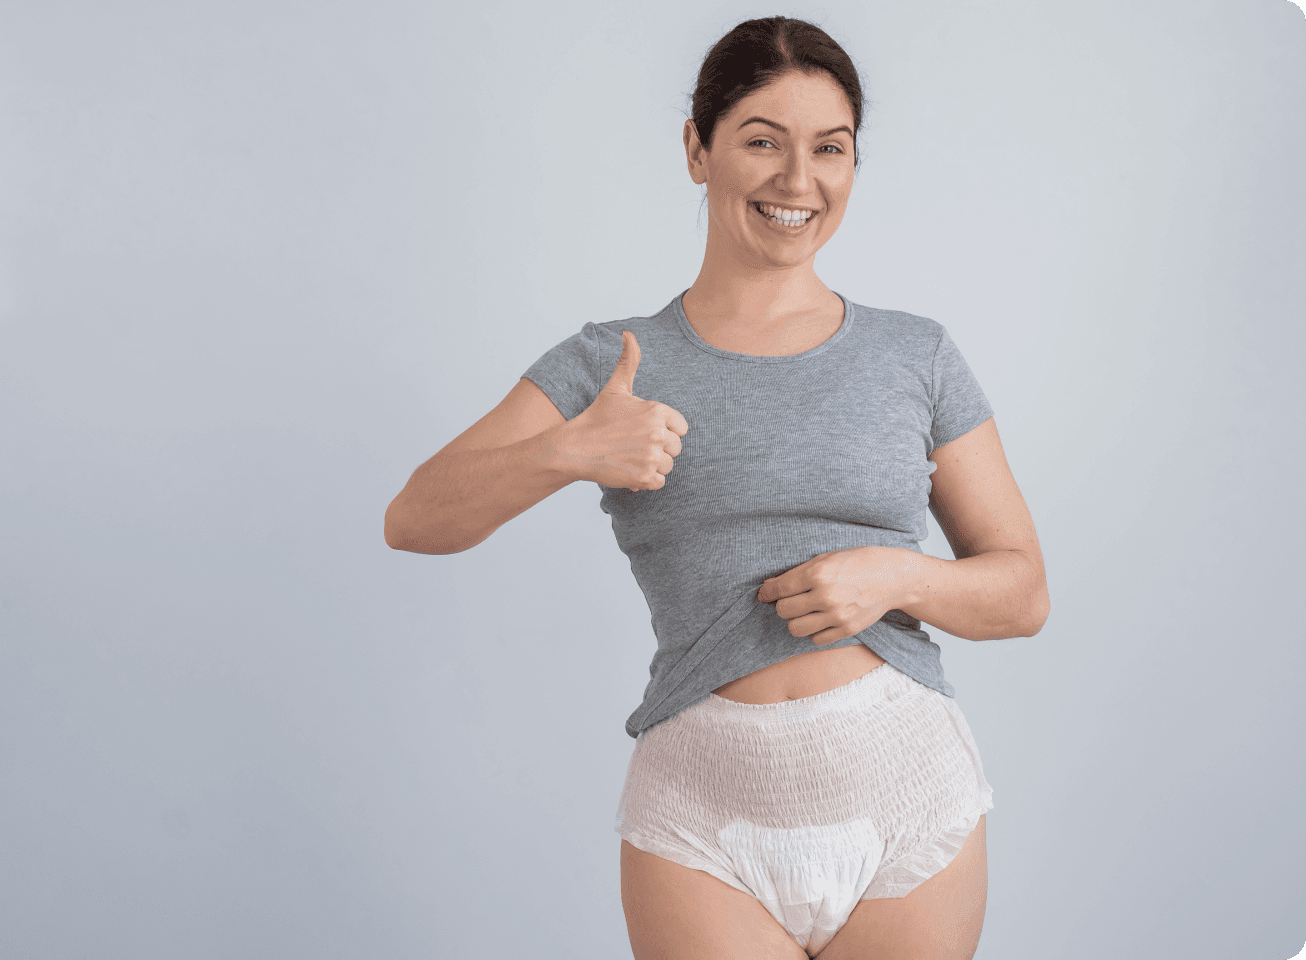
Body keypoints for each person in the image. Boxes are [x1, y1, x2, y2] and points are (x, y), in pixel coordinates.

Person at [384, 15, 1048, 960]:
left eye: (830, 149)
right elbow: (413, 517)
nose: (797, 181)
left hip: (908, 800)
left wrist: (896, 577)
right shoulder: (612, 362)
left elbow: (1023, 592)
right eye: (761, 142)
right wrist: (568, 450)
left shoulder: (918, 354)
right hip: (701, 820)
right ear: (698, 151)